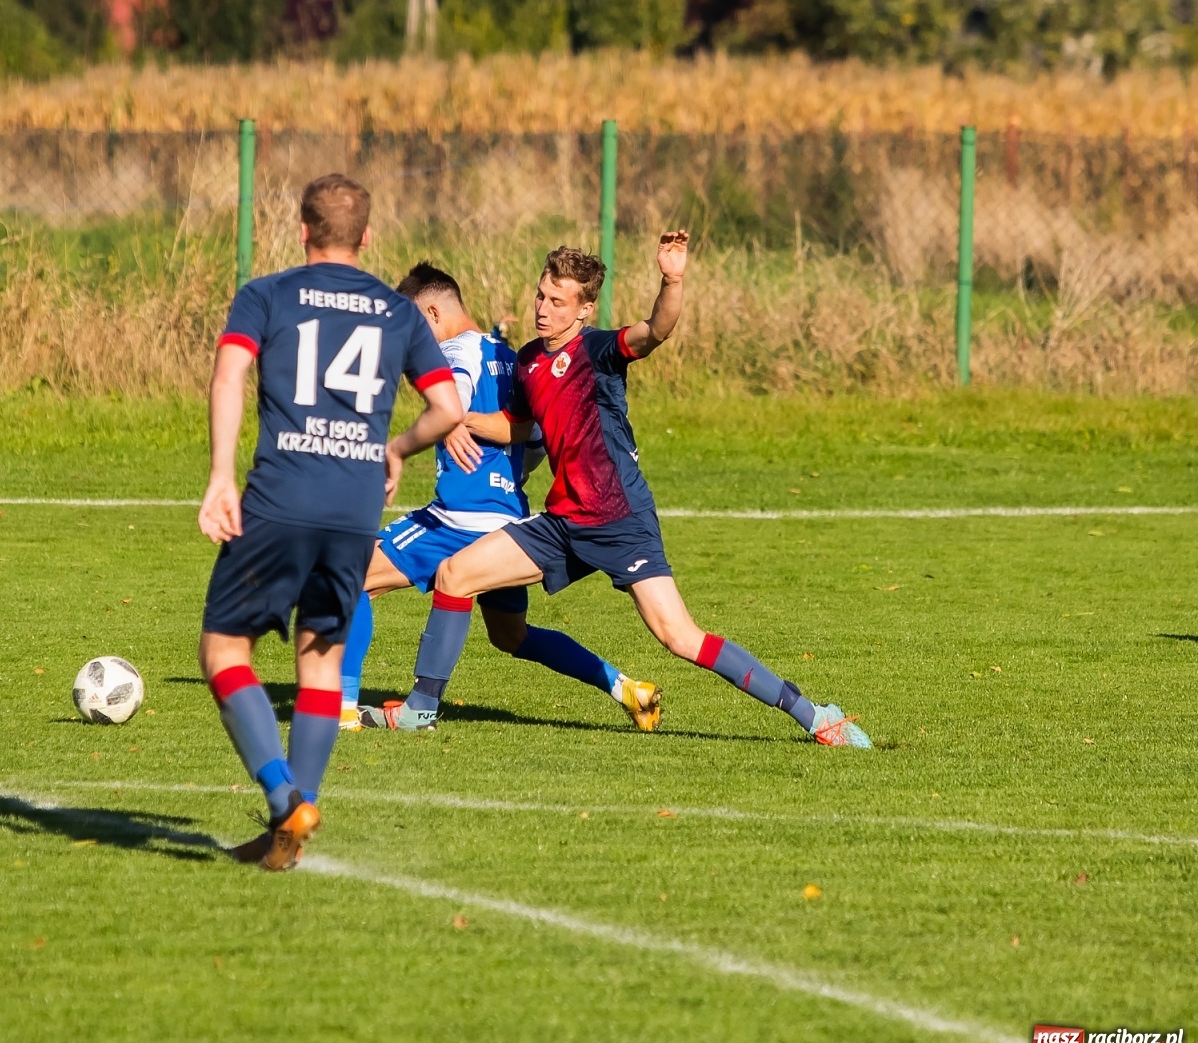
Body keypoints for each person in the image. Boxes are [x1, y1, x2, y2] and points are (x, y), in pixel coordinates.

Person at [433, 237, 871, 747]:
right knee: (457, 573)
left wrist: (673, 281)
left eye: (557, 301)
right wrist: (455, 417)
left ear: (584, 308)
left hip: (620, 520)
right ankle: (423, 708)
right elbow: (519, 427)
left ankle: (814, 715)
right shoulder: (530, 360)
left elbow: (655, 330)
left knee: (679, 637)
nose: (543, 309)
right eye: (540, 296)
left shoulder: (596, 352)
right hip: (563, 522)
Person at [197, 175, 463, 871]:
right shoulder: (397, 311)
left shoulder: (266, 294)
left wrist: (222, 475)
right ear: (368, 236)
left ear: (302, 229)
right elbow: (448, 408)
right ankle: (293, 824)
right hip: (353, 511)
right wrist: (396, 447)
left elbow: (228, 377)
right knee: (320, 662)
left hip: (279, 498)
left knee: (224, 652)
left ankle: (285, 796)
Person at [338, 262, 662, 733]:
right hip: (508, 522)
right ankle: (624, 687)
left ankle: (343, 709)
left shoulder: (452, 353)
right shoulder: (514, 359)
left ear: (431, 312)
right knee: (510, 636)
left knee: (348, 577)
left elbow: (454, 396)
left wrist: (447, 422)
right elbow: (532, 441)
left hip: (460, 519)